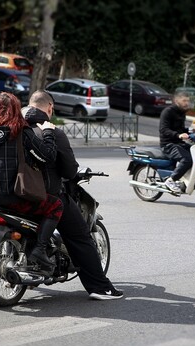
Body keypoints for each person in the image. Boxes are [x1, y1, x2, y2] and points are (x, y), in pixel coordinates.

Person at [21, 90, 123, 300]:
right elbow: (68, 171)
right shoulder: (53, 132)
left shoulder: (14, 128)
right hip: (47, 195)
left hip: (15, 195)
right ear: (50, 108)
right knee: (80, 237)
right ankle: (99, 288)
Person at [0, 92, 62, 271]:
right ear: (17, 109)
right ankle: (39, 250)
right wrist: (48, 132)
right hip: (15, 199)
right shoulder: (20, 131)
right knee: (55, 205)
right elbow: (48, 156)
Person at [159, 91, 194, 193]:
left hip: (178, 143)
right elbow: (163, 130)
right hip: (168, 144)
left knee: (194, 154)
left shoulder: (182, 112)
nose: (186, 103)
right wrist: (178, 135)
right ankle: (171, 180)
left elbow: (181, 129)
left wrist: (191, 131)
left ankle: (184, 179)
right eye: (184, 100)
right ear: (176, 100)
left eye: (187, 101)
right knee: (187, 159)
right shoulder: (167, 112)